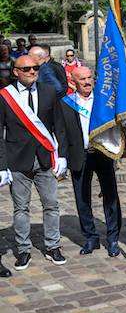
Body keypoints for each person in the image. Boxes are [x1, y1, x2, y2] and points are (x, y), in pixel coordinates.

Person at [0, 55, 68, 275]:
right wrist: (2, 166)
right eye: (27, 68)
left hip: (45, 158)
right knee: (21, 208)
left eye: (36, 67)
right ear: (15, 72)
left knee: (51, 204)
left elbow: (59, 125)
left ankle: (53, 246)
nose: (32, 71)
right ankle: (23, 249)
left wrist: (63, 156)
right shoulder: (4, 96)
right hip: (18, 160)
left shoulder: (49, 92)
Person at [61, 66, 122, 257]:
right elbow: (62, 132)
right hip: (80, 154)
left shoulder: (104, 101)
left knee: (110, 196)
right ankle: (91, 237)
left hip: (103, 153)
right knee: (82, 197)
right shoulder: (65, 103)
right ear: (73, 81)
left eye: (89, 78)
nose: (87, 82)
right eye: (82, 79)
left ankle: (113, 238)